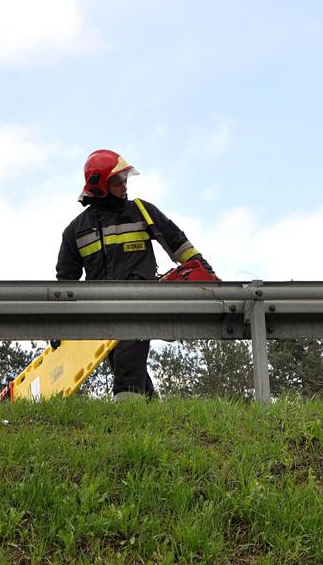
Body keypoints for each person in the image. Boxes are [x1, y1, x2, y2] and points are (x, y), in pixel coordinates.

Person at [56, 149, 215, 401]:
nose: (124, 184)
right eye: (116, 180)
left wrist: (205, 270)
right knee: (126, 366)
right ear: (100, 185)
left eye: (125, 178)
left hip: (140, 304)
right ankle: (153, 419)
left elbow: (178, 243)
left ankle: (123, 425)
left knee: (127, 370)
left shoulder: (141, 211)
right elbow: (66, 282)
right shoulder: (74, 231)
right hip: (100, 313)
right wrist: (59, 323)